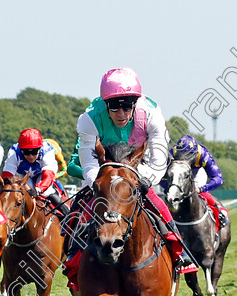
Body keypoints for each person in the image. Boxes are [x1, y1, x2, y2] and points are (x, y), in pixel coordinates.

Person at [65, 67, 198, 277]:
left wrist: (141, 181)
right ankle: (72, 253)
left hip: (139, 165)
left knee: (155, 200)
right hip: (106, 168)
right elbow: (89, 165)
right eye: (114, 108)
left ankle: (178, 249)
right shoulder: (88, 119)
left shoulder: (152, 114)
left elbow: (158, 160)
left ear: (135, 104)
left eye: (127, 107)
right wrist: (103, 185)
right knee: (82, 205)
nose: (121, 114)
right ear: (105, 105)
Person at [1, 128, 70, 221]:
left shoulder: (47, 151)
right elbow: (7, 174)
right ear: (21, 150)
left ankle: (69, 216)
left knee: (46, 192)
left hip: (42, 175)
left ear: (39, 148)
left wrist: (39, 189)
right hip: (23, 176)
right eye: (26, 152)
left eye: (34, 152)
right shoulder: (14, 152)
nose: (30, 156)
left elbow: (48, 175)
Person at [166, 135, 227, 228]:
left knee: (200, 194)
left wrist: (200, 189)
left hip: (197, 172)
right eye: (181, 155)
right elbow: (161, 177)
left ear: (194, 154)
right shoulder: (172, 153)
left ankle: (219, 214)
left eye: (188, 156)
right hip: (178, 172)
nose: (185, 159)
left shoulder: (203, 154)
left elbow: (218, 178)